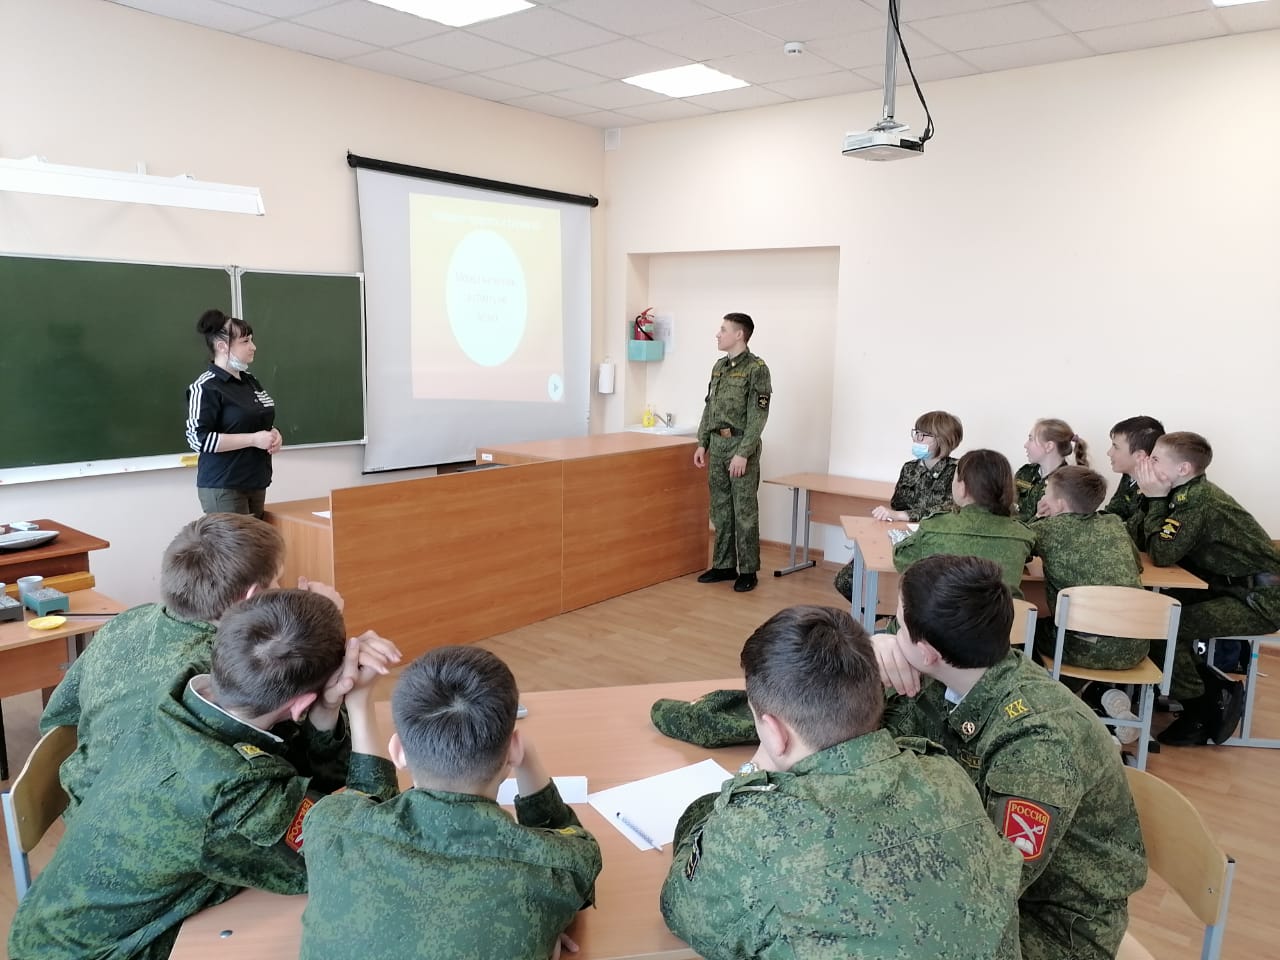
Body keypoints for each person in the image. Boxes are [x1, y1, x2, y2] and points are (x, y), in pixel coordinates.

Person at [9, 590, 402, 960]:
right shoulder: (230, 790)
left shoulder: (181, 693)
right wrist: (359, 703)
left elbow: (296, 776)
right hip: (105, 951)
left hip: (59, 927)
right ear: (299, 706)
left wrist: (326, 709)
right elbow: (362, 848)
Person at [660, 605, 1024, 960]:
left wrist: (750, 776)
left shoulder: (754, 834)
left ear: (774, 732)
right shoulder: (945, 775)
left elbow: (681, 905)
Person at [875, 554, 1147, 960]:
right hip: (974, 869)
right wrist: (871, 655)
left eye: (897, 625)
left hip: (1053, 925)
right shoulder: (962, 670)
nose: (891, 632)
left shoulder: (1039, 748)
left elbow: (992, 887)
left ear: (928, 651)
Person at [300, 646, 601, 960]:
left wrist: (359, 702)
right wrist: (545, 920)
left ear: (398, 751)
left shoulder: (328, 827)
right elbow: (570, 851)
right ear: (513, 749)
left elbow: (364, 805)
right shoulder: (555, 868)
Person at [39, 513, 347, 817]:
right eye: (278, 579)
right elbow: (310, 772)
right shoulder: (233, 668)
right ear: (250, 597)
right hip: (165, 817)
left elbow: (61, 714)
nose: (283, 587)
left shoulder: (129, 619)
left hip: (85, 801)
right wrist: (316, 627)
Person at [1127, 431, 1276, 746]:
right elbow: (1142, 538)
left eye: (1156, 459)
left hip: (1262, 599)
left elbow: (1163, 553)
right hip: (1228, 587)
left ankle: (1202, 704)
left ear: (1183, 469)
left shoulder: (1197, 501)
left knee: (1164, 627)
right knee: (1151, 613)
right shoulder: (1181, 494)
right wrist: (1150, 497)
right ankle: (1210, 691)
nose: (1148, 464)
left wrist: (1155, 499)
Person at [833, 409, 963, 601]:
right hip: (901, 536)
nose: (916, 439)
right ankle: (878, 613)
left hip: (934, 542)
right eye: (916, 433)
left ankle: (894, 613)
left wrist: (903, 515)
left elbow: (949, 509)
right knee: (845, 580)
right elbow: (896, 506)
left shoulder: (958, 471)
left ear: (942, 439)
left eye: (923, 435)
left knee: (917, 590)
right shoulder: (909, 468)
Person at [1031, 466, 1145, 669]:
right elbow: (1138, 566)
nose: (1043, 498)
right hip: (1134, 647)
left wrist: (1037, 517)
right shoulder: (1113, 522)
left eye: (1046, 493)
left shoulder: (1045, 529)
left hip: (1080, 647)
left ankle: (1056, 686)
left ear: (1059, 504)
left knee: (1025, 626)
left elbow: (1017, 541)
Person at [693, 312, 772, 594]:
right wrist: (702, 442)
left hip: (740, 447)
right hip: (717, 445)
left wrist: (743, 453)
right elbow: (709, 407)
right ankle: (724, 565)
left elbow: (758, 416)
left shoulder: (756, 369)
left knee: (744, 511)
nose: (718, 334)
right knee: (721, 509)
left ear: (739, 334)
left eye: (723, 329)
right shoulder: (719, 367)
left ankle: (748, 570)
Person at [892, 448, 1035, 599]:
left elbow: (901, 560)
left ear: (963, 487)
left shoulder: (934, 527)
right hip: (1002, 614)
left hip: (942, 611)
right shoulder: (1022, 536)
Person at [186, 307, 282, 518]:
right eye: (245, 341)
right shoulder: (206, 386)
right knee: (236, 541)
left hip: (255, 480)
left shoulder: (250, 381)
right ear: (222, 346)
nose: (253, 347)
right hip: (224, 485)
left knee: (256, 540)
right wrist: (253, 439)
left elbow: (253, 420)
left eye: (251, 340)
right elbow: (198, 439)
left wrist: (274, 434)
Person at [1015, 418, 1088, 522]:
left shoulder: (1068, 483)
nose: (1025, 445)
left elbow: (1063, 526)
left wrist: (1037, 517)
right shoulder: (1025, 473)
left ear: (1049, 446)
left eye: (1031, 439)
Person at [1103, 415, 1164, 522]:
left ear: (1139, 456)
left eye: (1116, 447)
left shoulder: (1155, 486)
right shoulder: (1130, 475)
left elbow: (1137, 529)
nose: (1109, 453)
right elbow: (1114, 512)